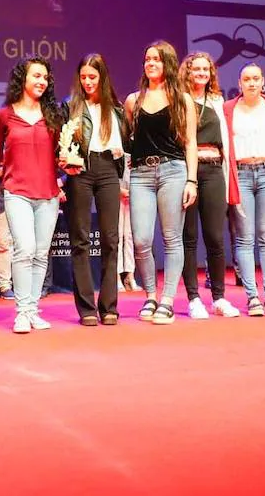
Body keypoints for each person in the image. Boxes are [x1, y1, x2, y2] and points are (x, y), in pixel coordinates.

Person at [0, 56, 63, 333]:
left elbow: (59, 155)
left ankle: (32, 310)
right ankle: (21, 312)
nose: (41, 81)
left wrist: (65, 165)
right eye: (36, 76)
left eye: (45, 77)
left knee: (41, 253)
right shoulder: (5, 115)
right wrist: (1, 167)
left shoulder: (54, 115)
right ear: (23, 79)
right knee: (25, 250)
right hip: (16, 191)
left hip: (49, 193)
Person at [125, 40, 198, 325]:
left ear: (167, 62)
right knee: (141, 240)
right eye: (147, 59)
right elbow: (130, 139)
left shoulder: (183, 99)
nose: (150, 63)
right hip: (142, 174)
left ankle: (167, 299)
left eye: (156, 59)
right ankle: (150, 295)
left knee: (171, 238)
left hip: (173, 171)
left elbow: (190, 142)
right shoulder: (134, 100)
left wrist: (191, 180)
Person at [60, 54, 127, 326]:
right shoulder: (70, 106)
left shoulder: (117, 108)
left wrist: (123, 153)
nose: (87, 82)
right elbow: (61, 144)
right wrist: (63, 167)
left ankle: (109, 306)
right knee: (81, 240)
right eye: (83, 77)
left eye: (93, 77)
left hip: (109, 168)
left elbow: (128, 141)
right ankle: (87, 308)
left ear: (102, 77)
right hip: (81, 171)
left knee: (111, 240)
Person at [223, 63, 265, 317]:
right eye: (246, 79)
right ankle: (252, 297)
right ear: (239, 84)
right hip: (241, 174)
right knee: (244, 237)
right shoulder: (229, 109)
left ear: (263, 82)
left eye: (256, 78)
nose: (251, 83)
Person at [179, 51, 240, 318]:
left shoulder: (217, 101)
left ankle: (219, 298)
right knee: (189, 237)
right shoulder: (179, 101)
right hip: (187, 172)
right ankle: (193, 298)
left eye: (206, 69)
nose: (202, 73)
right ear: (188, 72)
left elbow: (225, 142)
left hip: (215, 170)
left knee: (216, 237)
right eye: (197, 69)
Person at [117, 156, 140, 292]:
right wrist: (118, 189)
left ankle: (130, 275)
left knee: (130, 235)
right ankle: (116, 276)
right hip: (116, 186)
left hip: (134, 185)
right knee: (118, 235)